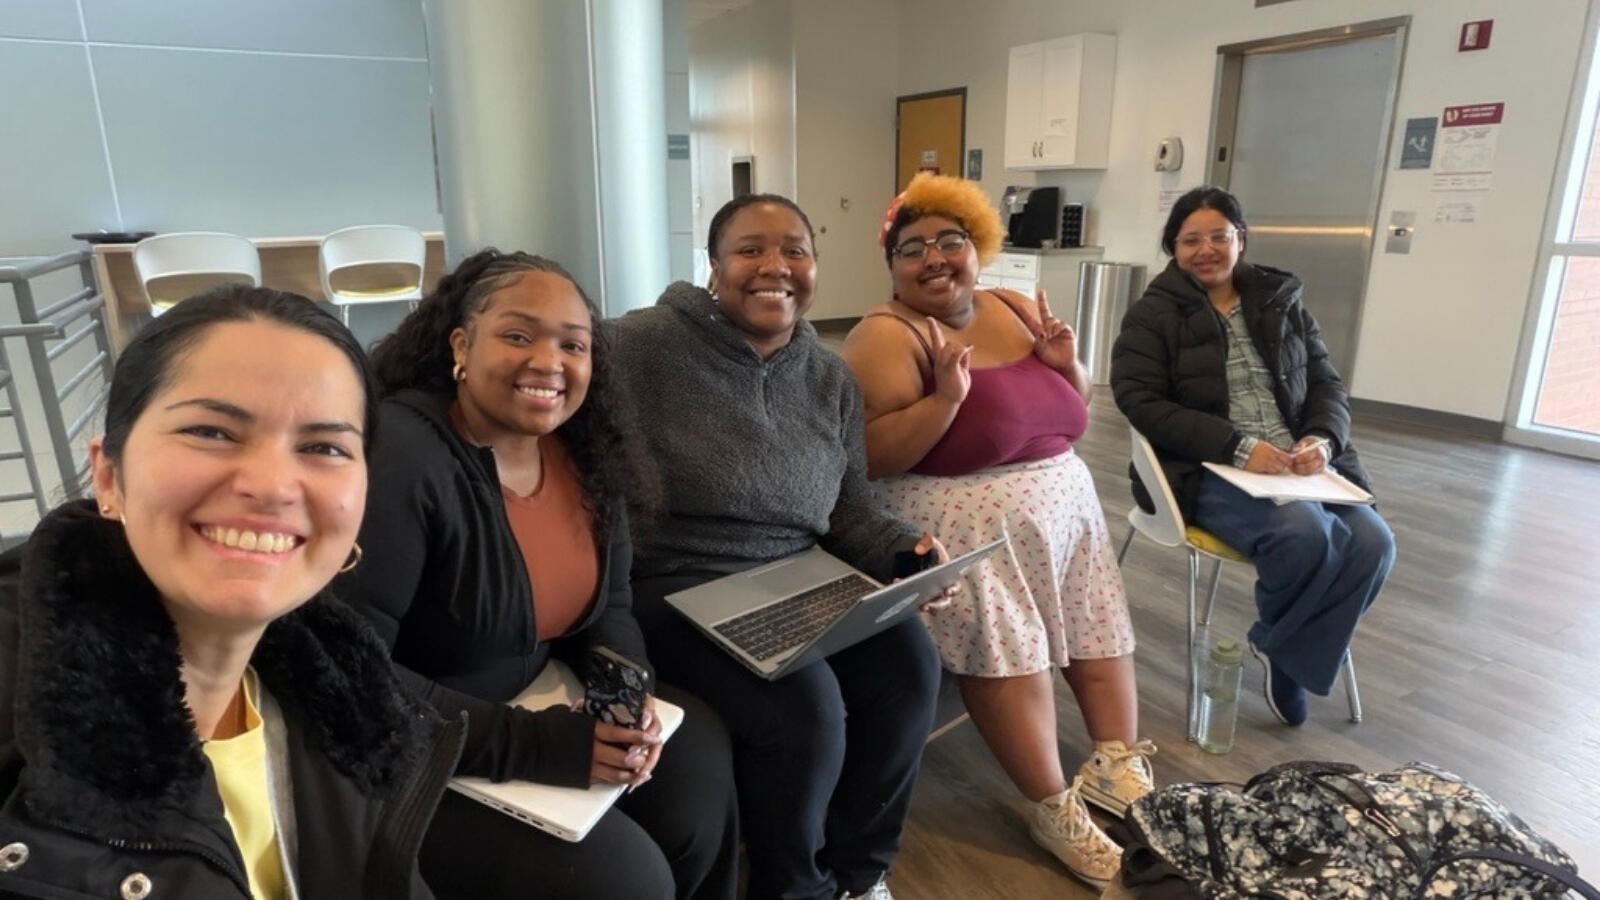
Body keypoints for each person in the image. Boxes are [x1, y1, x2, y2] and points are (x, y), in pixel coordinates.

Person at [0, 285, 461, 898]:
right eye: (212, 431)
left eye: (324, 447)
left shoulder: (340, 697)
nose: (272, 486)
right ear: (108, 476)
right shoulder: (26, 742)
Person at [335, 250, 739, 900]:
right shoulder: (406, 456)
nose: (549, 361)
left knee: (697, 773)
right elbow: (348, 671)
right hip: (417, 748)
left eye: (573, 345)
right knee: (624, 881)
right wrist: (537, 747)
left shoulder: (583, 449)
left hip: (536, 704)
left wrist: (625, 701)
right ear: (461, 345)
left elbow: (609, 607)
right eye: (518, 336)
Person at [610, 194, 948, 900]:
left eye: (795, 249)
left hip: (796, 577)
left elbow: (848, 508)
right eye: (750, 250)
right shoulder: (638, 348)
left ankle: (859, 875)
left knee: (911, 664)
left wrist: (903, 551)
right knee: (806, 708)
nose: (776, 267)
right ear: (713, 267)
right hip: (674, 582)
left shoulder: (827, 377)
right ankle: (792, 888)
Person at [838, 173, 1148, 890]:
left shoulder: (1012, 303)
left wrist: (1066, 363)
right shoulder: (887, 335)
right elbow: (873, 458)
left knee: (1097, 628)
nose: (935, 258)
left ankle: (1114, 762)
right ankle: (1051, 804)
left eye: (951, 240)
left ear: (978, 247)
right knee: (1011, 654)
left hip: (1066, 507)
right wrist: (947, 399)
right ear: (893, 267)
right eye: (913, 248)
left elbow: (1078, 412)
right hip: (963, 517)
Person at [1110, 185, 1396, 727]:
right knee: (1303, 533)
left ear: (1241, 239)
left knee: (1373, 543)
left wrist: (1321, 439)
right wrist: (1237, 448)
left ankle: (1280, 648)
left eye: (1219, 236)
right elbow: (1140, 400)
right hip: (1201, 466)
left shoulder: (1279, 300)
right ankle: (1293, 662)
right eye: (1190, 239)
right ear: (1172, 247)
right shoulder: (1152, 316)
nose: (1206, 249)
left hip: (1298, 460)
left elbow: (1327, 385)